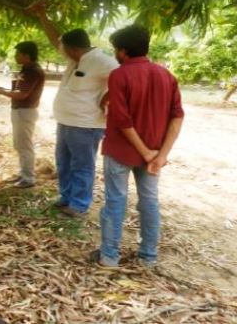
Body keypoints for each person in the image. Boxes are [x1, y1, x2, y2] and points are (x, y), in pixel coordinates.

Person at [90, 24, 184, 269]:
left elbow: (122, 121)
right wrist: (160, 155)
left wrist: (146, 153)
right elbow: (177, 117)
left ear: (123, 51)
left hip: (121, 151)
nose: (115, 54)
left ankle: (109, 256)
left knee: (115, 201)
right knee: (150, 202)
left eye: (115, 50)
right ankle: (148, 257)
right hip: (154, 153)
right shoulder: (167, 76)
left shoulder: (120, 75)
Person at [52, 29, 119, 217]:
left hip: (86, 124)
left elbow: (125, 78)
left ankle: (79, 204)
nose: (61, 51)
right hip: (65, 121)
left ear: (73, 49)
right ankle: (66, 197)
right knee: (63, 163)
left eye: (64, 48)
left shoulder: (102, 61)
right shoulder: (74, 60)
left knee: (82, 165)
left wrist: (107, 97)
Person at [0, 41, 45, 188]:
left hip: (25, 112)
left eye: (18, 54)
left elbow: (22, 95)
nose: (15, 56)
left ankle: (28, 178)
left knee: (25, 146)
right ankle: (24, 174)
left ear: (26, 55)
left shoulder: (33, 72)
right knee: (20, 145)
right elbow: (18, 92)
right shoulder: (26, 70)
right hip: (21, 111)